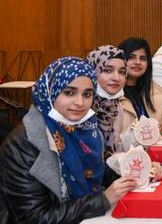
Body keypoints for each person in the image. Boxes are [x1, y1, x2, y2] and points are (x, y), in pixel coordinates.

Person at [0, 57, 138, 223]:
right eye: (69, 92)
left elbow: (100, 170)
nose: (80, 103)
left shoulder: (86, 126)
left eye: (87, 94)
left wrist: (138, 170)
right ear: (50, 91)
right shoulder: (25, 143)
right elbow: (34, 218)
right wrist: (103, 200)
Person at [118, 37, 162, 135]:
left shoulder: (155, 89)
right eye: (131, 57)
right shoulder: (112, 92)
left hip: (155, 148)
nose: (138, 62)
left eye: (143, 58)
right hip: (126, 149)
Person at [86, 46, 127, 159]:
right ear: (93, 71)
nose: (116, 78)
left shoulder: (116, 106)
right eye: (108, 70)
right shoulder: (82, 107)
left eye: (122, 72)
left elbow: (116, 151)